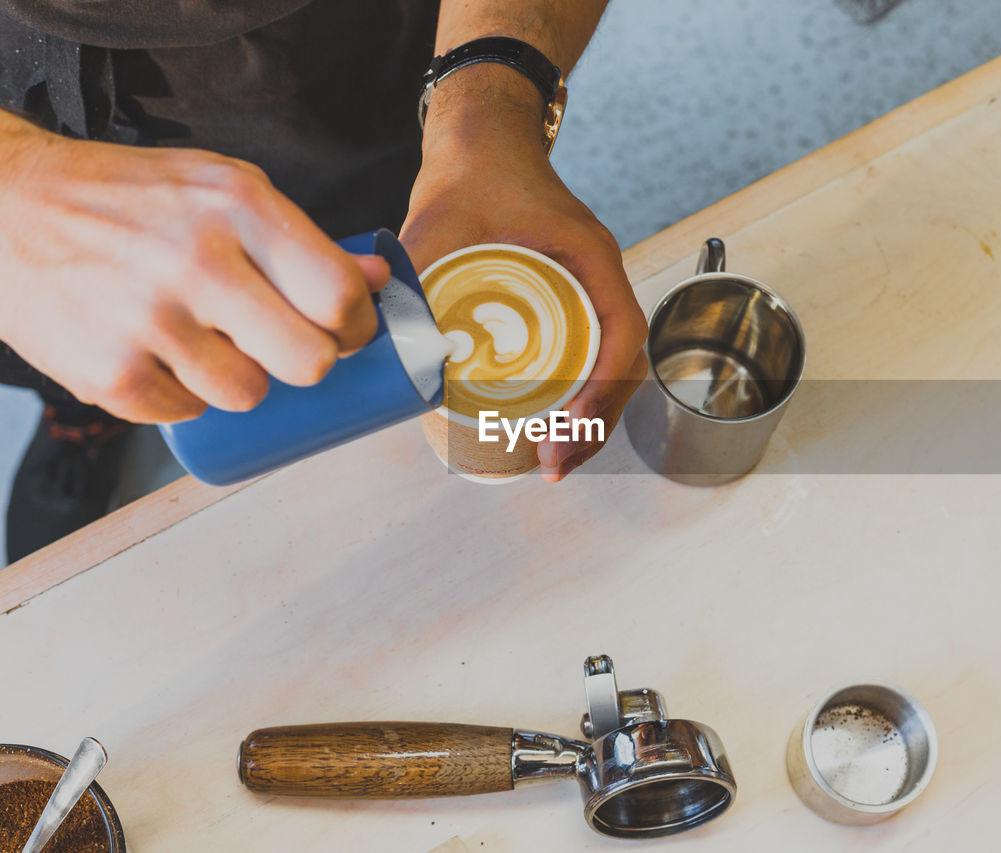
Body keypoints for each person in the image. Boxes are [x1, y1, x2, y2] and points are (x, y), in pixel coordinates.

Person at [0, 0, 648, 562]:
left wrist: (483, 109)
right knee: (77, 339)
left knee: (354, 290)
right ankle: (80, 413)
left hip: (319, 68)